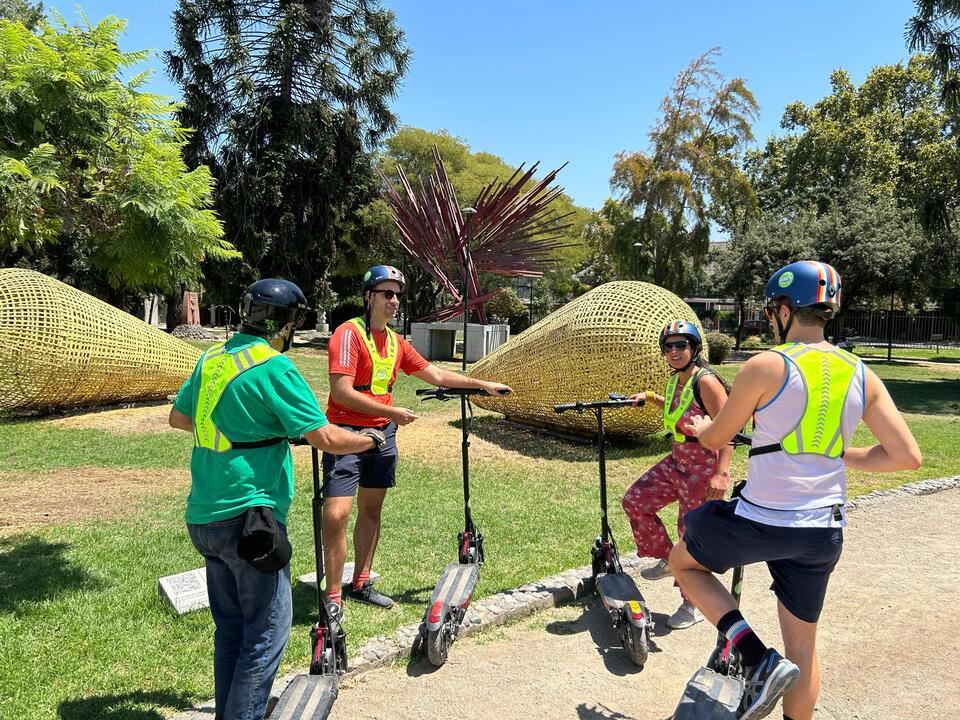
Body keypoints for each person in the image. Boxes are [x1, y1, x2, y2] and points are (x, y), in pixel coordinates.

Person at [669, 261, 922, 720]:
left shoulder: (767, 364)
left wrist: (706, 427)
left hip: (762, 520)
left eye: (770, 313)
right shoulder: (861, 373)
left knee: (682, 562)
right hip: (823, 531)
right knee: (803, 647)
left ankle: (753, 655)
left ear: (785, 310)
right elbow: (906, 457)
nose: (769, 321)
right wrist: (832, 454)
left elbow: (717, 436)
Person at [168, 278, 386, 720]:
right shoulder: (274, 367)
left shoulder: (211, 358)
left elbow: (179, 418)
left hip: (205, 517)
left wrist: (247, 431)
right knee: (266, 635)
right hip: (250, 520)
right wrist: (368, 440)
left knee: (230, 630)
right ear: (285, 325)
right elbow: (325, 437)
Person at [322, 264, 512, 611]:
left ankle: (361, 583)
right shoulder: (348, 334)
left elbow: (435, 373)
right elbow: (342, 391)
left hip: (381, 436)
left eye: (398, 295)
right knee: (335, 515)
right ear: (368, 296)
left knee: (371, 510)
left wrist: (481, 384)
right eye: (387, 294)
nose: (394, 301)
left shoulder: (395, 342)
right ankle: (333, 597)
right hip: (346, 433)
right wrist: (394, 413)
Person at [621, 320, 733, 629]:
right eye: (668, 347)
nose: (674, 351)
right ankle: (668, 560)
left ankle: (691, 604)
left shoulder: (706, 381)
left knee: (690, 533)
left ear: (695, 348)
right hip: (678, 459)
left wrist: (722, 473)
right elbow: (680, 411)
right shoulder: (676, 380)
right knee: (635, 501)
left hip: (702, 466)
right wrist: (652, 398)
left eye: (681, 345)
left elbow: (730, 428)